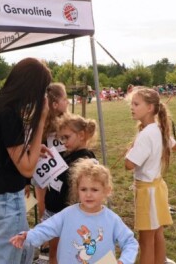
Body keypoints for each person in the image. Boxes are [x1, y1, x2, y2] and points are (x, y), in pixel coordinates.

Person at [0, 57, 52, 264]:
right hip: (6, 197)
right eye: (43, 90)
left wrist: (29, 148)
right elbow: (27, 169)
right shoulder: (9, 114)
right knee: (8, 257)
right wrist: (42, 118)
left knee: (23, 249)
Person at [10, 159, 139, 264]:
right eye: (83, 189)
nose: (88, 194)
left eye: (94, 190)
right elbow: (46, 228)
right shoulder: (67, 214)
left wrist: (124, 261)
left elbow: (130, 242)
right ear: (77, 190)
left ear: (107, 191)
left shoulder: (112, 219)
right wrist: (27, 236)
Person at [124, 87, 176, 264]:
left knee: (146, 240)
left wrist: (130, 151)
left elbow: (129, 165)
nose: (132, 107)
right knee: (157, 232)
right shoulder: (158, 129)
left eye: (136, 104)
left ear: (150, 108)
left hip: (148, 193)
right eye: (131, 104)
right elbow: (175, 146)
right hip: (157, 188)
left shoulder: (147, 134)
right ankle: (160, 261)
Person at [39, 113, 98, 263]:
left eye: (67, 137)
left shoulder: (85, 159)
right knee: (54, 252)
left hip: (67, 215)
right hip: (54, 211)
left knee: (67, 254)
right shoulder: (67, 155)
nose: (64, 142)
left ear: (81, 135)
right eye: (61, 138)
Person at [34, 82, 69, 238]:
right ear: (55, 104)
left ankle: (49, 236)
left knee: (47, 202)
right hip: (45, 169)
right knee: (44, 202)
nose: (67, 102)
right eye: (65, 99)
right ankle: (47, 236)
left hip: (58, 169)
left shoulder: (67, 121)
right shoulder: (41, 122)